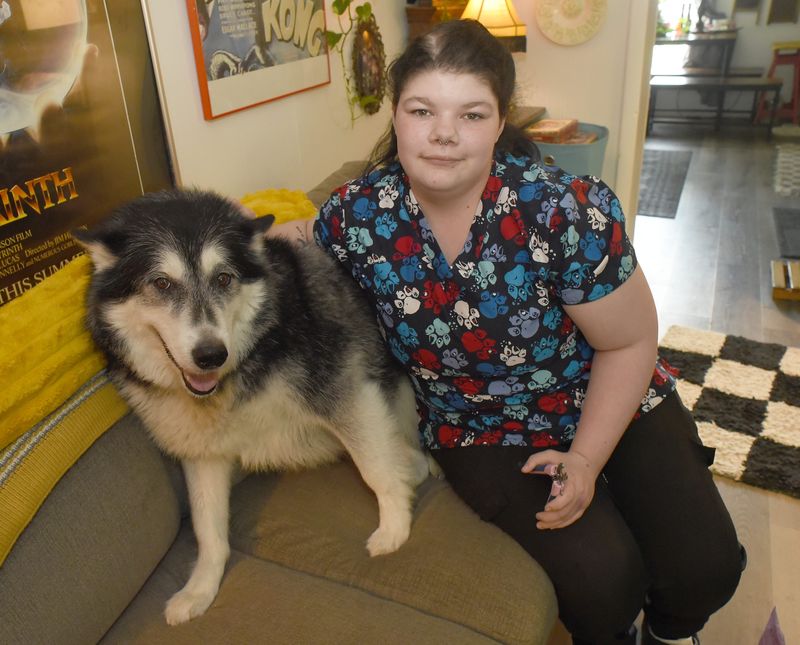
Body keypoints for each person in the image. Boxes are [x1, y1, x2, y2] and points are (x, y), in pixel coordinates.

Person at [269, 19, 743, 645]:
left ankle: (668, 631)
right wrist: (242, 241)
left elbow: (627, 342)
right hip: (480, 425)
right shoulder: (359, 216)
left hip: (602, 390)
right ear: (397, 115)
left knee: (705, 567)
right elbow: (302, 238)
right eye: (422, 110)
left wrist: (585, 459)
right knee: (603, 581)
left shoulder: (564, 210)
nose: (442, 134)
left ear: (499, 121)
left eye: (471, 114)